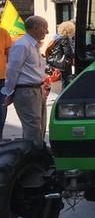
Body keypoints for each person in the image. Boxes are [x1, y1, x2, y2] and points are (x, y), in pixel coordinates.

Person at [1, 16, 50, 144]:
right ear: (36, 28)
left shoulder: (33, 46)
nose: (47, 31)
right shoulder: (22, 45)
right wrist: (9, 91)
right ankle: (32, 159)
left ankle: (38, 155)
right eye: (45, 28)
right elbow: (12, 70)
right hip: (26, 91)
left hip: (36, 89)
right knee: (32, 129)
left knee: (40, 127)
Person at [47, 20, 75, 87]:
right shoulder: (65, 39)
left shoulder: (58, 39)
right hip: (65, 64)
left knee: (64, 81)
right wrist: (75, 55)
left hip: (60, 64)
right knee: (66, 82)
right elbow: (67, 53)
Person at [0, 25, 12, 139]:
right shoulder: (3, 32)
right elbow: (10, 54)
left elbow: (10, 54)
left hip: (2, 77)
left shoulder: (3, 32)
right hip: (2, 76)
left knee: (2, 108)